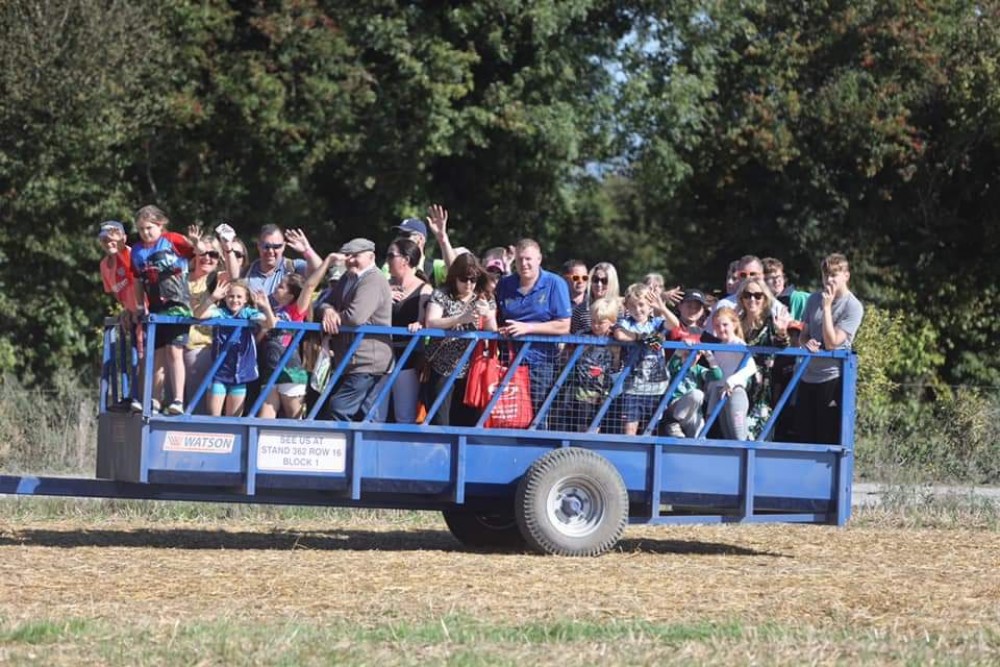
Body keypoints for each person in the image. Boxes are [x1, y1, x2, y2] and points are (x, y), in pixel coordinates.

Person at [316, 238, 394, 421]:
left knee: (339, 407)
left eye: (355, 256)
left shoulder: (373, 279)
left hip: (368, 360)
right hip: (353, 360)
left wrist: (334, 317)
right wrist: (327, 310)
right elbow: (323, 302)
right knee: (366, 415)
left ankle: (350, 448)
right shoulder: (348, 277)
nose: (350, 260)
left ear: (371, 257)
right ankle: (368, 449)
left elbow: (355, 316)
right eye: (347, 256)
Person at [495, 239, 572, 424]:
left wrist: (528, 328)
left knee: (538, 417)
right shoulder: (505, 284)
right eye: (520, 259)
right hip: (508, 362)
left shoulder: (555, 283)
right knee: (508, 416)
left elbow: (564, 325)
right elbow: (497, 317)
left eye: (528, 259)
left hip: (542, 363)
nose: (524, 264)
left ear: (539, 259)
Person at [130, 205, 197, 416]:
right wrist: (140, 305)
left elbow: (196, 252)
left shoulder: (171, 240)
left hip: (178, 306)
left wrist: (195, 242)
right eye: (141, 229)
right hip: (155, 308)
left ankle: (178, 399)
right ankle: (155, 400)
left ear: (161, 225)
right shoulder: (138, 251)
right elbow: (138, 280)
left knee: (174, 351)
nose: (145, 233)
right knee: (156, 354)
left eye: (149, 228)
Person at [795, 253, 864, 445]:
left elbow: (833, 342)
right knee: (804, 437)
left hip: (832, 378)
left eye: (834, 275)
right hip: (807, 376)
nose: (829, 280)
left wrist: (826, 308)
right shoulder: (813, 299)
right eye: (825, 275)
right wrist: (806, 342)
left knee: (825, 439)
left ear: (846, 276)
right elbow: (803, 334)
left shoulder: (853, 307)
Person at [259, 255, 337, 419]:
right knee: (264, 420)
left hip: (290, 371)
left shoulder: (295, 311)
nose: (276, 288)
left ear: (290, 295)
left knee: (294, 420)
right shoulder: (277, 310)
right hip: (271, 369)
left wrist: (328, 260)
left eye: (281, 287)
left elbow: (309, 286)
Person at [424, 253, 497, 426]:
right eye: (464, 279)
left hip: (473, 372)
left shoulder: (484, 296)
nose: (469, 285)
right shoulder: (442, 294)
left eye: (473, 279)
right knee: (441, 423)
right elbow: (431, 322)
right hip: (443, 368)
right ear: (455, 277)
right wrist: (459, 319)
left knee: (469, 424)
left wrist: (487, 314)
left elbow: (492, 330)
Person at [196, 280, 275, 416]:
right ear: (225, 297)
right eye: (231, 296)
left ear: (245, 299)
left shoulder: (248, 313)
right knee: (214, 417)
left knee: (234, 419)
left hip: (241, 374)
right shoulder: (220, 312)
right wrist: (212, 298)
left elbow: (270, 324)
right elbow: (198, 315)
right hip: (219, 372)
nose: (234, 300)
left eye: (239, 297)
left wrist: (266, 307)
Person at [384, 237, 433, 423]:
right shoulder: (383, 286)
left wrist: (419, 324)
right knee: (375, 415)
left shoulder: (424, 289)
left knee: (404, 415)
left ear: (405, 260)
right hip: (381, 355)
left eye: (391, 256)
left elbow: (425, 319)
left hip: (407, 356)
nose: (387, 261)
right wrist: (383, 297)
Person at [553, 297, 619, 432]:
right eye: (593, 321)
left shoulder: (616, 339)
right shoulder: (583, 336)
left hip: (602, 391)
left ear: (612, 322)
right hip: (581, 389)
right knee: (580, 422)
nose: (596, 325)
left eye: (601, 322)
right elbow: (567, 352)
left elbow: (616, 366)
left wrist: (618, 352)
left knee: (597, 424)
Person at [612, 284, 671, 435]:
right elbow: (619, 335)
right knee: (629, 431)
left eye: (641, 305)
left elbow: (674, 325)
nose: (637, 309)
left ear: (650, 306)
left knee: (651, 431)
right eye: (632, 306)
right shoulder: (626, 323)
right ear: (627, 307)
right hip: (633, 388)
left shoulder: (656, 323)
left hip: (656, 388)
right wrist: (642, 337)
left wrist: (662, 307)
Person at [736, 277, 790, 438]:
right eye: (747, 295)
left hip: (763, 389)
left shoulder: (771, 322)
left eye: (757, 295)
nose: (752, 299)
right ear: (741, 298)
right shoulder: (735, 322)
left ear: (765, 298)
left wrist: (781, 331)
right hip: (739, 384)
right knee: (737, 433)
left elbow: (782, 344)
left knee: (760, 435)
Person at [99, 220, 143, 409]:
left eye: (114, 238)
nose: (110, 242)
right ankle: (133, 397)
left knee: (144, 357)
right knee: (134, 356)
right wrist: (126, 309)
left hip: (146, 312)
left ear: (123, 238)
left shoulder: (132, 254)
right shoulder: (105, 265)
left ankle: (141, 398)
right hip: (132, 314)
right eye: (105, 239)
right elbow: (119, 292)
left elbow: (140, 283)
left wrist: (140, 309)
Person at [184, 230, 229, 414]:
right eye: (203, 253)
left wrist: (228, 247)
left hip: (206, 347)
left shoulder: (220, 280)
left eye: (213, 254)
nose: (207, 258)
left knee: (198, 409)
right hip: (177, 345)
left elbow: (235, 275)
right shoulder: (182, 279)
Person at [704, 307, 758, 440]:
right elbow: (718, 373)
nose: (721, 329)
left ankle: (746, 460)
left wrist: (732, 381)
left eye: (725, 324)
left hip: (735, 393)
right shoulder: (720, 346)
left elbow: (751, 366)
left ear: (734, 324)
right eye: (717, 325)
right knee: (727, 435)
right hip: (721, 393)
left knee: (738, 435)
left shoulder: (738, 344)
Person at [245, 224, 323, 300]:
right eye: (266, 246)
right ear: (258, 246)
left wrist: (307, 250)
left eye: (276, 247)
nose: (271, 251)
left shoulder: (293, 268)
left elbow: (320, 270)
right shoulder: (246, 272)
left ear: (284, 246)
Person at [384, 205, 455, 286]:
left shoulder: (434, 267)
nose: (400, 239)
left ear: (420, 239)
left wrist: (443, 240)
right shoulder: (390, 266)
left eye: (406, 235)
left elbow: (456, 272)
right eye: (399, 235)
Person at [663, 345, 723, 438]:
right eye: (688, 353)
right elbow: (671, 365)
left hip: (693, 412)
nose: (693, 356)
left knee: (700, 438)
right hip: (676, 406)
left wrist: (708, 355)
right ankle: (672, 422)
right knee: (696, 394)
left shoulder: (698, 369)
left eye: (697, 354)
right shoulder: (677, 367)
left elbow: (717, 375)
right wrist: (681, 348)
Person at [570, 261, 621, 334]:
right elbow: (574, 339)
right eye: (595, 280)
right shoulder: (580, 310)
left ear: (612, 283)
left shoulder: (622, 310)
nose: (599, 284)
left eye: (604, 281)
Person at [763, 257, 809, 323]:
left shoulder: (800, 298)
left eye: (779, 276)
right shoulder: (759, 301)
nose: (776, 281)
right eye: (771, 278)